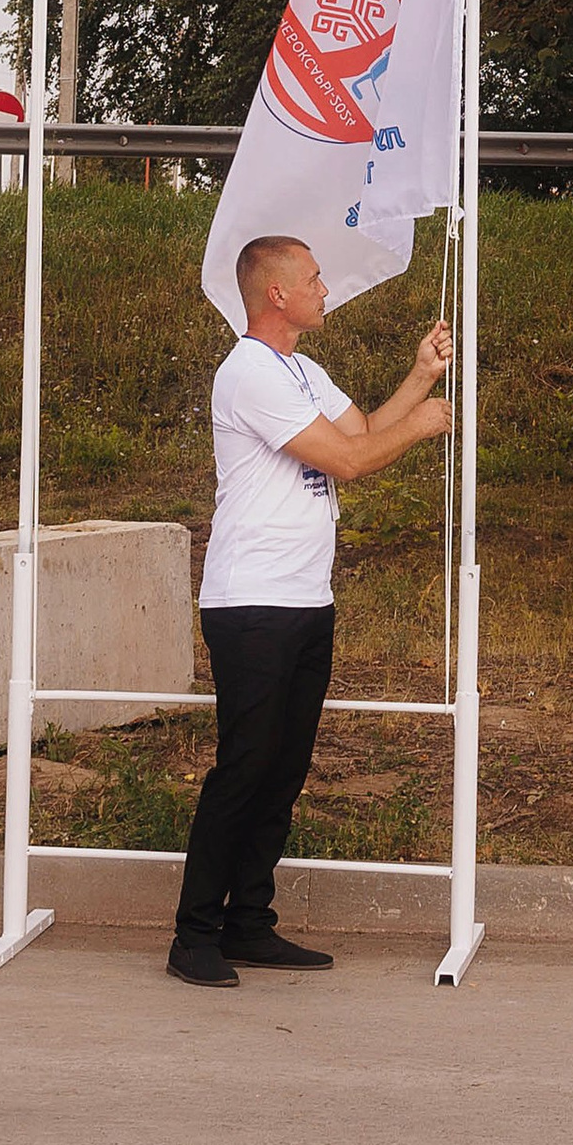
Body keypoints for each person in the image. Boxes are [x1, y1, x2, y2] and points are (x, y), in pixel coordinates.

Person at [167, 234, 453, 990]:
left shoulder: (301, 370)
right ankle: (193, 934)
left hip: (305, 600)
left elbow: (359, 432)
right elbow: (352, 462)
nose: (327, 289)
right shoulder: (250, 373)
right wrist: (423, 428)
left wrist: (420, 378)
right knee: (246, 767)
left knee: (284, 769)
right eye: (316, 279)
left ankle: (248, 923)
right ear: (277, 296)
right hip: (251, 604)